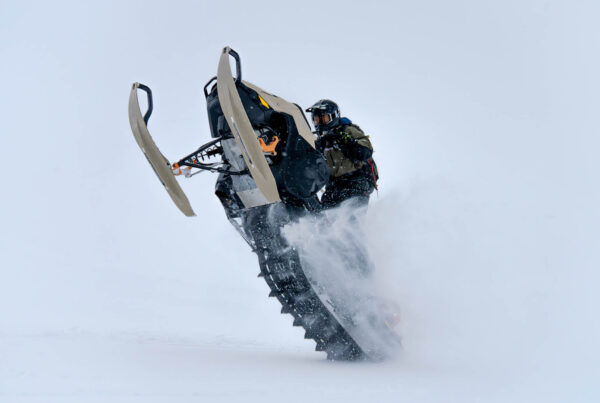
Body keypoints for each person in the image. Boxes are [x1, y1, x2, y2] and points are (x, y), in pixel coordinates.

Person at [306, 99, 378, 209]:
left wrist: (349, 142)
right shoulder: (321, 141)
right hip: (335, 184)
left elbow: (366, 151)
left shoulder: (348, 130)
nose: (320, 123)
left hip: (357, 179)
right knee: (323, 212)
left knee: (351, 212)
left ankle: (358, 220)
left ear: (334, 116)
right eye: (316, 120)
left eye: (324, 119)